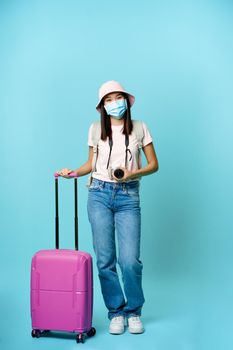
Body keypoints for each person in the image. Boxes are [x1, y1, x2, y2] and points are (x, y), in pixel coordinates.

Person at [57, 80, 159, 335]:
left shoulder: (140, 127)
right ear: (102, 106)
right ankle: (116, 311)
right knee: (105, 260)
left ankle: (133, 311)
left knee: (130, 261)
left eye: (118, 97)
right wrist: (73, 172)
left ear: (126, 100)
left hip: (128, 196)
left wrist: (132, 173)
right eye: (109, 99)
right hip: (99, 194)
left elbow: (154, 164)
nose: (115, 103)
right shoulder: (94, 129)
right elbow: (90, 164)